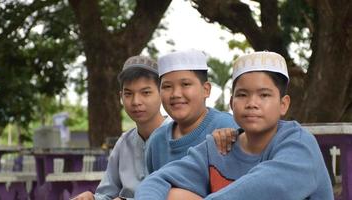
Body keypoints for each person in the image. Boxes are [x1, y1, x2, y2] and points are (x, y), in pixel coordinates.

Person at [135, 51, 334, 200]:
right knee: (173, 194)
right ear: (231, 104)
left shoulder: (299, 144)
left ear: (283, 104)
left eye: (264, 95)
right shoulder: (218, 146)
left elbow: (265, 189)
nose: (252, 103)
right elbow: (156, 180)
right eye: (242, 95)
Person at [72, 55, 168, 200]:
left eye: (146, 93)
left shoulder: (178, 136)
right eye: (128, 94)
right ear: (121, 97)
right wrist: (92, 198)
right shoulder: (124, 143)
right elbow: (107, 193)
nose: (136, 101)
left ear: (162, 93)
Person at [146, 49, 239, 173]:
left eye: (185, 84)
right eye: (167, 86)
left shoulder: (229, 128)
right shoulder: (156, 141)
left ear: (206, 90)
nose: (175, 94)